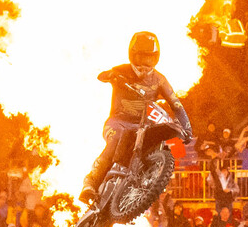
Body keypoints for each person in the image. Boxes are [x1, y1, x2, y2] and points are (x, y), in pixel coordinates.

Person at [81, 31, 194, 207]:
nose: (145, 64)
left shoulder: (159, 79)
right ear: (132, 55)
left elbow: (176, 104)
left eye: (150, 59)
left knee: (160, 142)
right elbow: (101, 76)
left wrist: (187, 129)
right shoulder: (122, 70)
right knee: (117, 137)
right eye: (141, 58)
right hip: (118, 122)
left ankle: (142, 190)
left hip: (143, 127)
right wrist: (111, 76)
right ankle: (90, 182)